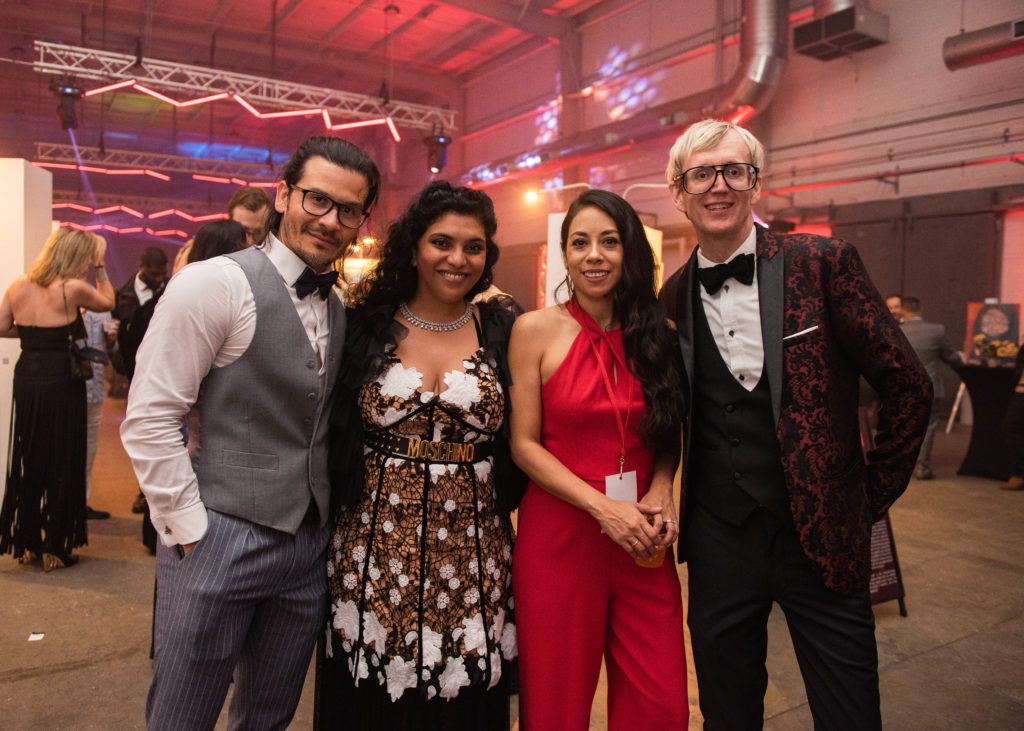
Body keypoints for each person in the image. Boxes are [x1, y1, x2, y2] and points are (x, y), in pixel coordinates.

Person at [659, 119, 932, 729]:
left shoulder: (823, 261)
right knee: (728, 713)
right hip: (719, 542)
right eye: (701, 173)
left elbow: (909, 385)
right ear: (679, 191)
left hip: (823, 536)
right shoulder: (672, 294)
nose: (718, 186)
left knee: (849, 713)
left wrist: (865, 495)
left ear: (756, 182)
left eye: (735, 170)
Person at [120, 135, 381, 730]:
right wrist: (190, 533)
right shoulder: (213, 284)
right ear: (284, 196)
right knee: (183, 714)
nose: (330, 221)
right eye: (317, 200)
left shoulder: (339, 304)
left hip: (305, 547)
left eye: (348, 211)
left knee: (269, 715)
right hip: (219, 535)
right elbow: (151, 417)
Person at [319, 180, 523, 730]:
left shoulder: (504, 329)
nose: (458, 259)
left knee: (461, 697)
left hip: (473, 556)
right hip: (373, 550)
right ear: (413, 248)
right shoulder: (364, 323)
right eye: (442, 242)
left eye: (473, 247)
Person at [508, 189, 689, 729]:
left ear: (629, 250)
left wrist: (661, 489)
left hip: (642, 538)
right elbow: (524, 444)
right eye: (580, 242)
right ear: (563, 253)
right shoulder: (533, 330)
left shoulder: (659, 334)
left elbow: (667, 431)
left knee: (661, 706)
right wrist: (602, 508)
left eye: (609, 242)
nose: (595, 255)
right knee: (556, 706)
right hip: (560, 538)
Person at [0, 228, 115, 570]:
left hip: (28, 378)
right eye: (87, 259)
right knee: (62, 455)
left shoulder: (18, 285)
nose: (86, 266)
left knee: (31, 454)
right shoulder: (73, 288)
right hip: (61, 381)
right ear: (76, 256)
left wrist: (37, 335)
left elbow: (3, 326)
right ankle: (56, 545)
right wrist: (102, 269)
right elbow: (107, 301)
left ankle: (27, 542)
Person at [900, 296, 962, 480]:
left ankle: (903, 469)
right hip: (930, 386)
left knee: (904, 428)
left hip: (904, 388)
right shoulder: (937, 330)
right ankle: (923, 468)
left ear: (903, 311)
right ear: (921, 309)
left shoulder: (897, 331)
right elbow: (951, 357)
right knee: (928, 427)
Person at [172, 187, 272, 274]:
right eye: (243, 230)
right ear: (229, 220)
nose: (250, 241)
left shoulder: (272, 255)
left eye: (258, 232)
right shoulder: (200, 249)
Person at [83, 308, 116, 519]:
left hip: (94, 387)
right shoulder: (58, 295)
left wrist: (112, 338)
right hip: (66, 384)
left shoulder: (99, 302)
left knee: (89, 446)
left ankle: (80, 501)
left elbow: (111, 346)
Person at [1001, 347, 1024, 491]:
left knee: (1011, 427)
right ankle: (1018, 474)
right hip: (1020, 392)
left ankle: (1018, 474)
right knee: (1011, 427)